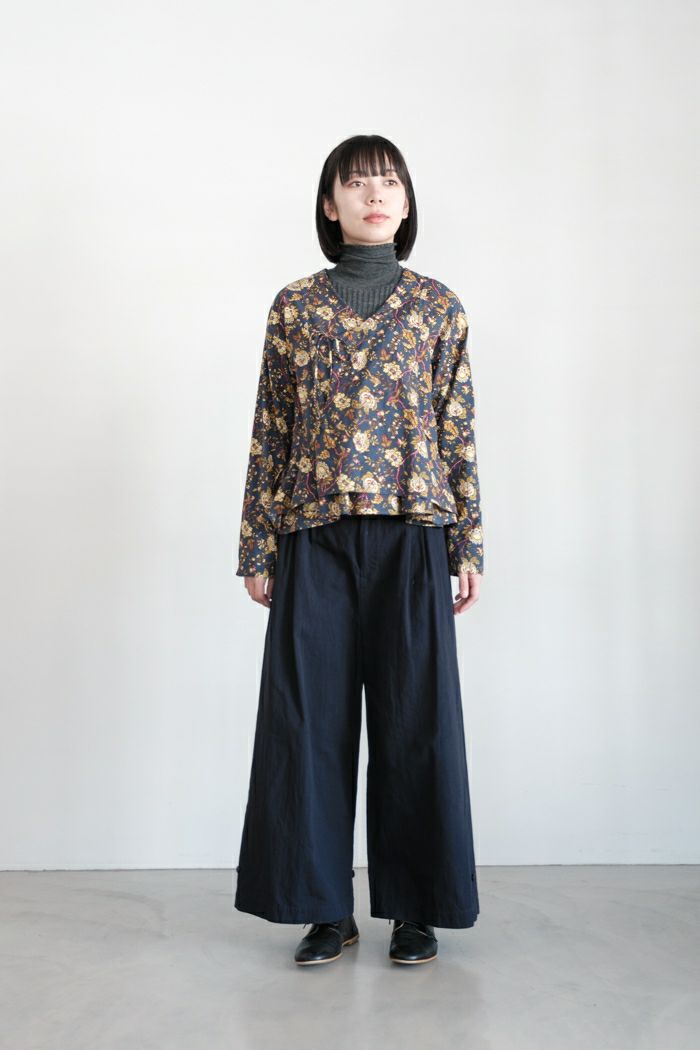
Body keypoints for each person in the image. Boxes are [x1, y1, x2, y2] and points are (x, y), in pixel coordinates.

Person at [233, 134, 484, 966]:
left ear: (406, 203)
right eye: (356, 182)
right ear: (329, 203)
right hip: (314, 535)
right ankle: (322, 907)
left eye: (389, 183)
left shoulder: (439, 306)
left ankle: (417, 907)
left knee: (418, 723)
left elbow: (456, 429)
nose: (375, 195)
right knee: (308, 723)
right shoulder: (295, 307)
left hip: (414, 534)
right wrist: (257, 544)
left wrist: (468, 541)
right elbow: (271, 429)